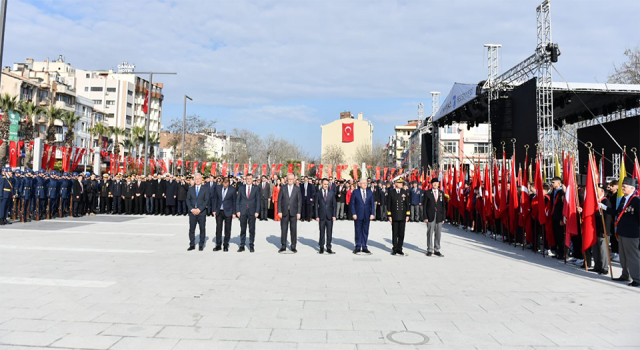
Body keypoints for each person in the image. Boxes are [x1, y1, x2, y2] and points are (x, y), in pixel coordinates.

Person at [604, 177, 640, 286]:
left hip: (632, 234)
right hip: (622, 232)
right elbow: (617, 212)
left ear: (632, 188)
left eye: (625, 186)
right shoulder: (624, 199)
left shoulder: (636, 201)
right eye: (622, 186)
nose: (622, 188)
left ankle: (637, 279)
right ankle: (625, 275)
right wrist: (605, 208)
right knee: (623, 256)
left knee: (633, 257)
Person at [235, 173, 260, 252]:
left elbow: (258, 201)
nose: (249, 180)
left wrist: (257, 211)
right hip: (243, 211)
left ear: (252, 179)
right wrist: (238, 211)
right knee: (243, 229)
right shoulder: (241, 188)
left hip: (252, 212)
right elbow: (238, 200)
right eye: (247, 179)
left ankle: (251, 245)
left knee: (252, 229)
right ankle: (242, 245)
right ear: (245, 179)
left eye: (250, 179)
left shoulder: (256, 188)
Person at [277, 173, 302, 253]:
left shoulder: (297, 189)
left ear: (294, 180)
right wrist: (279, 211)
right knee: (284, 229)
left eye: (292, 179)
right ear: (287, 180)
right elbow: (279, 200)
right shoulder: (283, 188)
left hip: (294, 212)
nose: (290, 180)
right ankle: (283, 246)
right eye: (289, 179)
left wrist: (299, 212)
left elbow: (299, 202)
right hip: (284, 212)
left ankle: (293, 246)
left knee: (293, 230)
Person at [186, 173, 210, 251]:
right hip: (192, 212)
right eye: (196, 179)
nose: (198, 180)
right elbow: (188, 200)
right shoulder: (191, 188)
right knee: (191, 229)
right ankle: (192, 244)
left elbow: (206, 200)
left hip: (201, 212)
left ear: (201, 179)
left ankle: (201, 244)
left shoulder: (205, 188)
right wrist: (191, 209)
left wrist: (199, 209)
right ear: (194, 180)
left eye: (199, 179)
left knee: (202, 229)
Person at [423, 177, 446, 257]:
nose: (435, 184)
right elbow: (424, 205)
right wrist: (425, 217)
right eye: (434, 183)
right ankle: (429, 249)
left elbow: (443, 206)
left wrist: (443, 217)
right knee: (430, 232)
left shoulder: (441, 193)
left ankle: (437, 249)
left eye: (437, 183)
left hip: (439, 216)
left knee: (438, 233)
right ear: (431, 184)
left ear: (439, 184)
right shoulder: (427, 193)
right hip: (430, 215)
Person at [351, 178, 375, 254]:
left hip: (367, 215)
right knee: (358, 231)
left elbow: (372, 204)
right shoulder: (355, 192)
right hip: (358, 215)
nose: (365, 184)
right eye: (363, 183)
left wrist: (372, 214)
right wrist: (354, 213)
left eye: (366, 183)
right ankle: (358, 246)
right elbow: (352, 204)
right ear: (359, 184)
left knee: (365, 231)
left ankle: (364, 246)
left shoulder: (370, 192)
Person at [212, 177, 236, 251]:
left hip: (228, 211)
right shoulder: (218, 188)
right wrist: (214, 210)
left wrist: (234, 212)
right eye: (224, 183)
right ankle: (218, 245)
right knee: (218, 229)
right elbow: (215, 199)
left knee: (227, 229)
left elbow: (234, 201)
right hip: (219, 211)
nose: (225, 184)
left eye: (226, 183)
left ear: (228, 183)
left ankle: (226, 244)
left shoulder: (233, 189)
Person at [388, 178, 410, 255]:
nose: (401, 184)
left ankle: (400, 248)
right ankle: (394, 248)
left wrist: (407, 215)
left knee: (401, 233)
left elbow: (407, 204)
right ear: (395, 183)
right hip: (394, 216)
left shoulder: (404, 192)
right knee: (395, 233)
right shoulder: (391, 192)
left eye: (402, 183)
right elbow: (389, 205)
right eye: (399, 183)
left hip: (402, 216)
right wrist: (389, 215)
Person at [316, 178, 337, 254]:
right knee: (321, 232)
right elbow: (316, 205)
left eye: (327, 184)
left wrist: (334, 215)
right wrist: (317, 216)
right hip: (321, 216)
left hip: (329, 216)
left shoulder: (331, 193)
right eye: (324, 184)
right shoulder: (318, 193)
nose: (326, 186)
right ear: (322, 184)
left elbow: (334, 205)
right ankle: (321, 247)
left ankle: (328, 247)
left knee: (329, 232)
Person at [550, 177, 565, 259]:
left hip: (559, 216)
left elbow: (563, 206)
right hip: (554, 215)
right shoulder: (553, 192)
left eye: (553, 182)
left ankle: (562, 253)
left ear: (559, 183)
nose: (552, 184)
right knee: (555, 235)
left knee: (560, 236)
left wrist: (562, 218)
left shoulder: (561, 192)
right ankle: (556, 251)